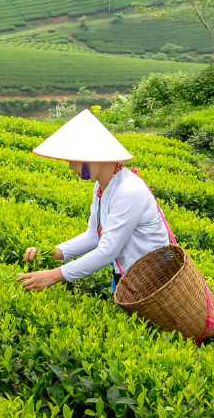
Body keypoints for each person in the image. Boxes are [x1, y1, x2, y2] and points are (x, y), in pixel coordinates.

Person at [17, 109, 170, 292]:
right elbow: (93, 235)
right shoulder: (101, 186)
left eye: (74, 160)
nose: (70, 167)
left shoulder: (128, 191)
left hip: (153, 283)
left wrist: (54, 275)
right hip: (128, 277)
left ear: (93, 157)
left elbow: (107, 251)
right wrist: (50, 252)